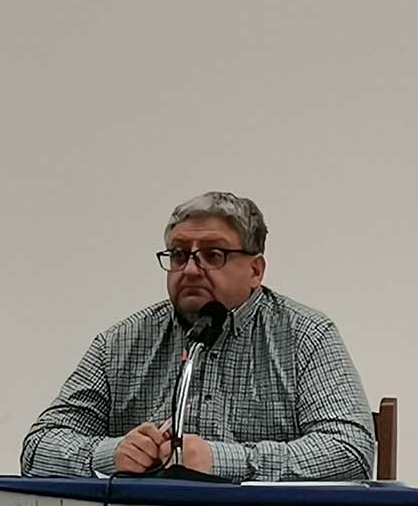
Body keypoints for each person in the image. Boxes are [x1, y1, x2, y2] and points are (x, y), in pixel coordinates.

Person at [20, 191, 375, 481]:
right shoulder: (120, 343)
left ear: (255, 270)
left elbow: (350, 451)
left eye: (212, 255)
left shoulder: (306, 336)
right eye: (179, 255)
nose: (190, 269)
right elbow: (38, 448)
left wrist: (220, 460)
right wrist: (110, 454)